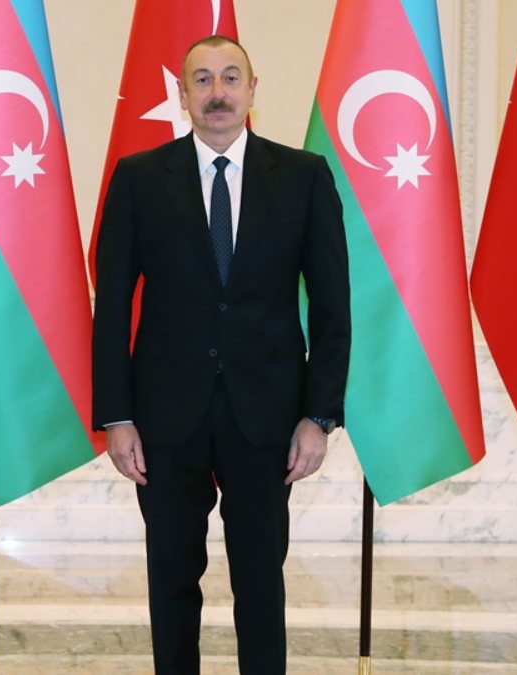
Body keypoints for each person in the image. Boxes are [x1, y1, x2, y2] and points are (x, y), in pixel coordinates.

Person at [92, 35, 350, 674]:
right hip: (164, 418)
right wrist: (117, 416)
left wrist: (319, 416)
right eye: (202, 80)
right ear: (183, 95)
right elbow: (113, 305)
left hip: (267, 417)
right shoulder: (139, 178)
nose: (217, 92)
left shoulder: (303, 176)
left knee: (260, 583)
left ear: (253, 89)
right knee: (171, 580)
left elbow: (333, 307)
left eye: (231, 77)